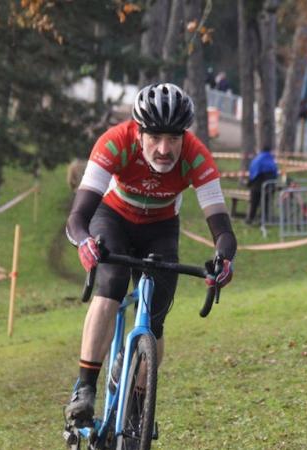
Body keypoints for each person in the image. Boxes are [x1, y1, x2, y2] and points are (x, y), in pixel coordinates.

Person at [63, 83, 237, 425]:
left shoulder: (196, 155)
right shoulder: (115, 142)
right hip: (112, 216)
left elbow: (223, 229)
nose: (164, 148)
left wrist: (224, 260)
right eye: (155, 137)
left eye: (173, 138)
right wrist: (85, 242)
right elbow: (77, 218)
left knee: (156, 317)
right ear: (138, 132)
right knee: (111, 285)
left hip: (160, 227)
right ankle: (85, 389)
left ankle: (139, 406)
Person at [246, 146, 279, 225]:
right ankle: (263, 220)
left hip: (256, 184)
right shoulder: (271, 160)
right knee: (265, 203)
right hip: (268, 185)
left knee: (254, 203)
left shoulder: (257, 159)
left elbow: (252, 172)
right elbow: (275, 172)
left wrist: (249, 182)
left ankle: (250, 219)